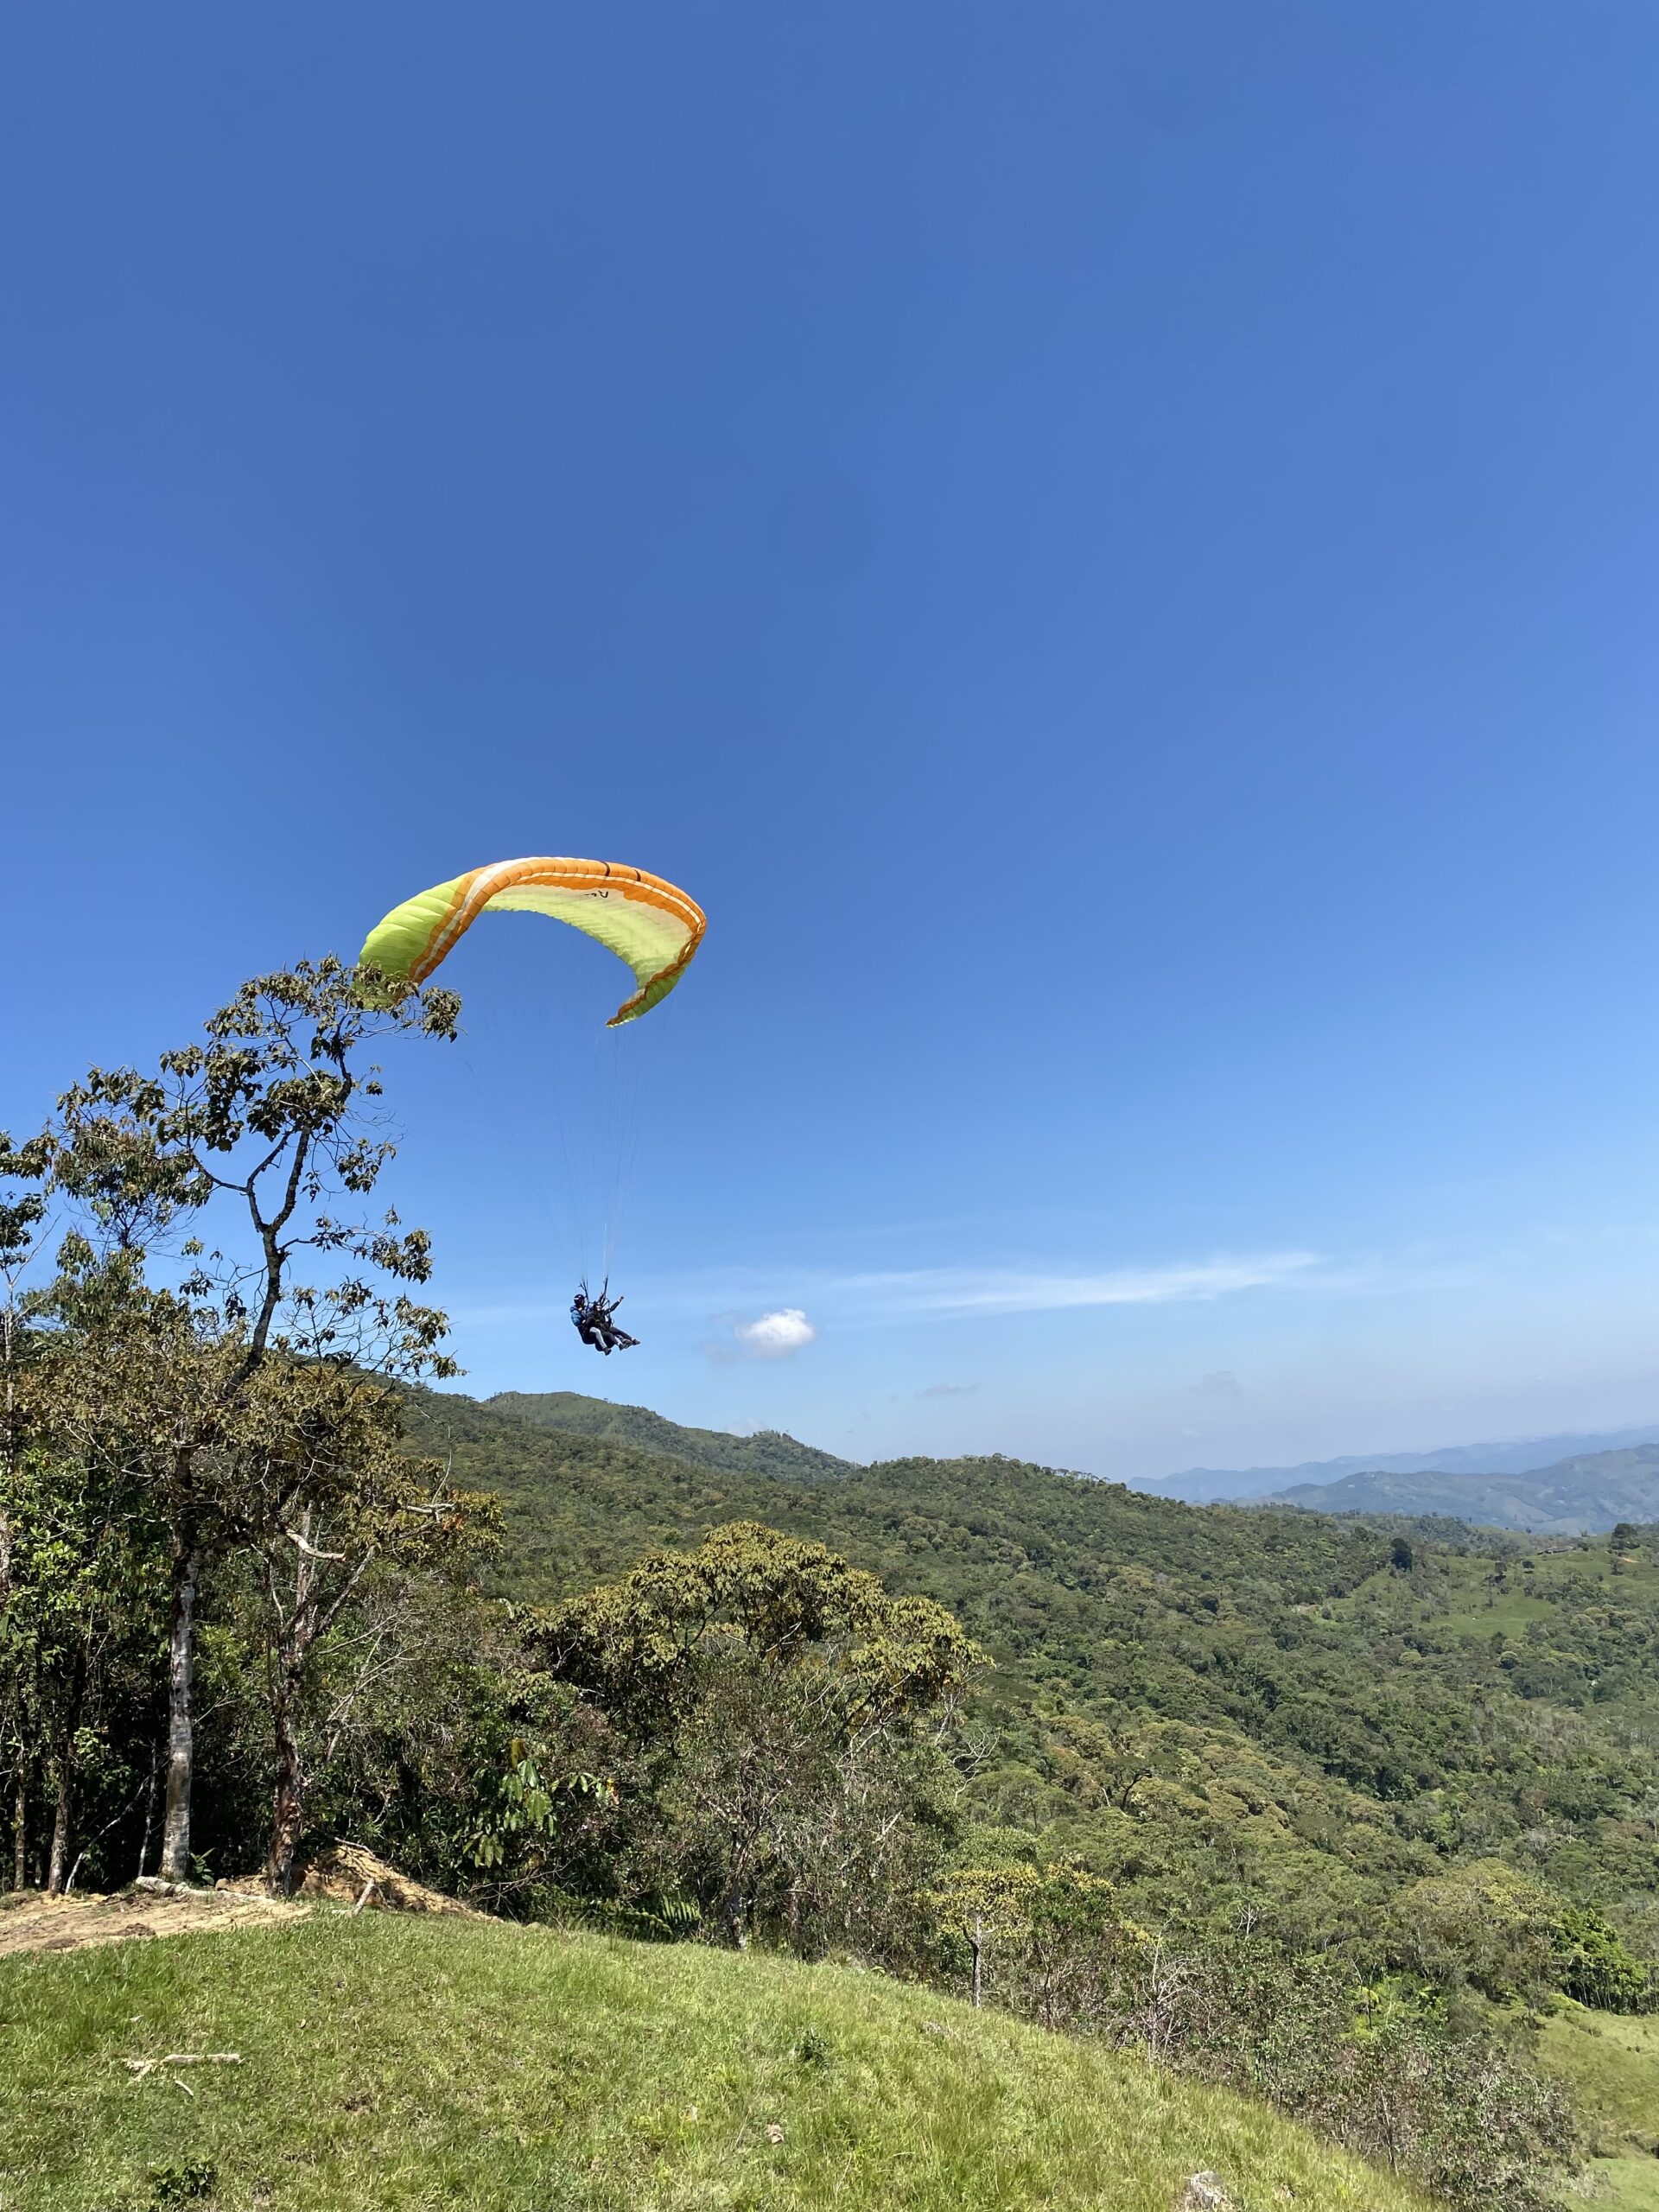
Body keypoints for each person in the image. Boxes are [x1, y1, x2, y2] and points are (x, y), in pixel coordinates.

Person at [570, 1282, 639, 1355]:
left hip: (596, 1327)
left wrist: (601, 1298)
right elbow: (576, 1322)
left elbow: (603, 1307)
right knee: (598, 1331)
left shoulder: (590, 1308)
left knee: (613, 1329)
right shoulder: (576, 1312)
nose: (585, 1301)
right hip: (587, 1331)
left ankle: (627, 1340)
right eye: (583, 1300)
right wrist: (582, 1319)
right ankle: (606, 1348)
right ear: (581, 1301)